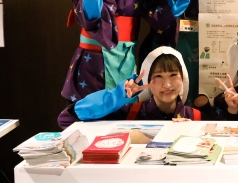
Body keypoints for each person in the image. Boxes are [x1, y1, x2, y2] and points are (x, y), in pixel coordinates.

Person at [58, 47, 205, 129]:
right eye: (158, 76)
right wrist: (118, 95)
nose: (167, 84)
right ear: (147, 80)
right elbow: (67, 119)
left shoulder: (197, 117)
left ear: (184, 78)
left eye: (173, 75)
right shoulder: (130, 114)